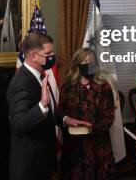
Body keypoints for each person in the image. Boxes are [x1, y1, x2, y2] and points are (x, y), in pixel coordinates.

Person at [6, 32, 90, 180]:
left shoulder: (39, 75)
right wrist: (41, 105)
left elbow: (48, 110)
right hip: (29, 168)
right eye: (48, 53)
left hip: (42, 162)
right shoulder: (21, 83)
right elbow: (19, 126)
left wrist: (65, 119)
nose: (53, 56)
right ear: (33, 55)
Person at [59, 48, 116, 180]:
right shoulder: (67, 87)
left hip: (98, 148)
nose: (89, 64)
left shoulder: (104, 87)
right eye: (85, 61)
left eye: (92, 61)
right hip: (74, 147)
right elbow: (61, 113)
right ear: (77, 64)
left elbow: (109, 118)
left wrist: (91, 128)